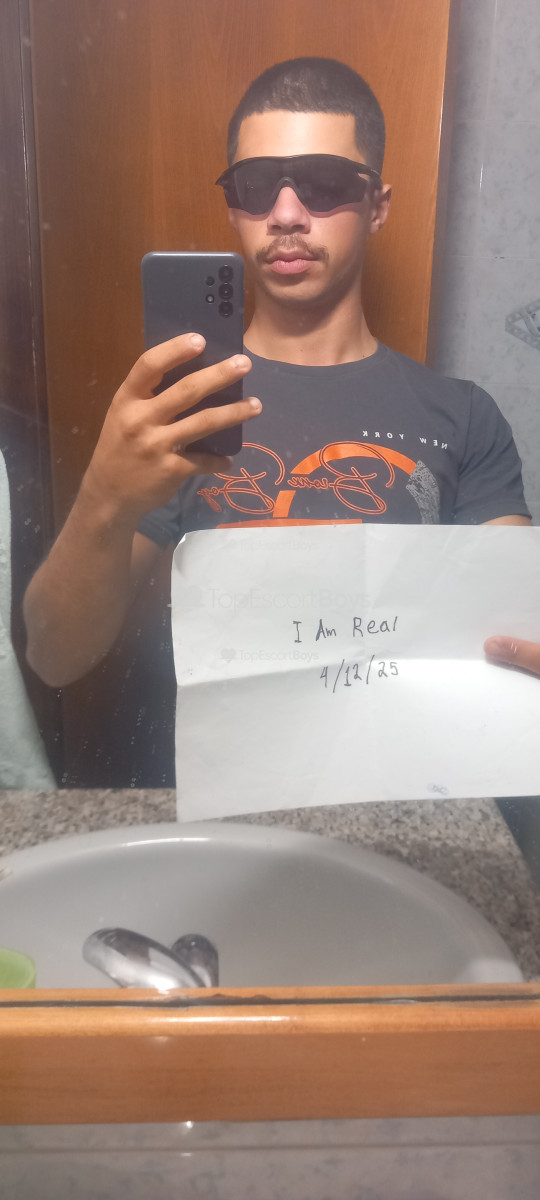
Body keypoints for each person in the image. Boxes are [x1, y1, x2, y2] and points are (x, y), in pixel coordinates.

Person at [24, 57, 532, 700]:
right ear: (233, 207)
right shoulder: (182, 408)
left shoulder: (463, 417)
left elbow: (518, 634)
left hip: (395, 761)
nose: (286, 213)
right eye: (257, 184)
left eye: (324, 182)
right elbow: (55, 657)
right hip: (214, 761)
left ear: (377, 206)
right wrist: (104, 495)